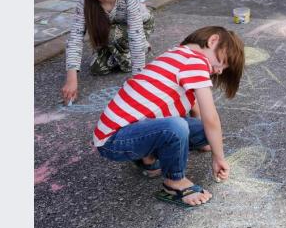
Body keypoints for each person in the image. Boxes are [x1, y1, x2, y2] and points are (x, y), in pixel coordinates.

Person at [93, 26, 245, 208]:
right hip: (114, 141)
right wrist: (218, 157)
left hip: (133, 130)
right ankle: (174, 183)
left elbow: (197, 110)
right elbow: (210, 116)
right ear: (213, 41)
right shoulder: (195, 62)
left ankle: (146, 158)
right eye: (224, 62)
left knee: (207, 133)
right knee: (176, 127)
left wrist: (205, 139)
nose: (220, 71)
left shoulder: (178, 54)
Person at [62, 0, 154, 104]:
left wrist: (138, 80)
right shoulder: (85, 4)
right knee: (97, 68)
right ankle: (125, 51)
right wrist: (71, 79)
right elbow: (75, 39)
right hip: (114, 31)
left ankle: (143, 47)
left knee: (113, 36)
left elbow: (135, 35)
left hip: (140, 26)